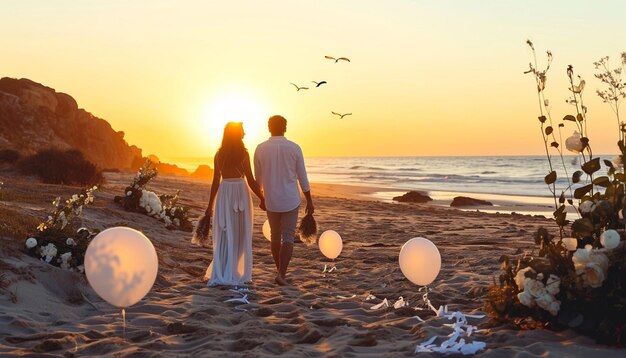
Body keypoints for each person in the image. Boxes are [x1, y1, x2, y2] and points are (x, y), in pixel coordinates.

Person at [254, 115, 314, 286]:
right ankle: (282, 273)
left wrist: (262, 198)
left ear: (269, 127)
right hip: (290, 200)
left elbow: (258, 180)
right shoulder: (294, 148)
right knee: (287, 237)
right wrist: (309, 200)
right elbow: (303, 177)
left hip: (271, 200)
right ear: (285, 128)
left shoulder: (260, 149)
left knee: (275, 236)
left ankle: (280, 271)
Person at [204, 122, 265, 286]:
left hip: (225, 193)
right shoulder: (243, 154)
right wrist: (262, 198)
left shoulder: (219, 154)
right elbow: (251, 181)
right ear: (237, 134)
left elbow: (215, 182)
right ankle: (232, 270)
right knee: (239, 232)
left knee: (226, 231)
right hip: (239, 191)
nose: (244, 133)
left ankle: (226, 269)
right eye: (242, 131)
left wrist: (210, 205)